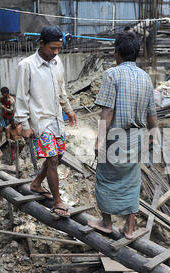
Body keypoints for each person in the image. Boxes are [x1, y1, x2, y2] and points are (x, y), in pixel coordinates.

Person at [88, 31, 158, 240]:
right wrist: (153, 135)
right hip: (137, 138)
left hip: (116, 138)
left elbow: (107, 111)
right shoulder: (145, 77)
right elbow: (152, 113)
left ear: (117, 52)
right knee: (132, 180)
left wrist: (100, 140)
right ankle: (129, 228)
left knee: (105, 178)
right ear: (136, 53)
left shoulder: (112, 74)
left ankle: (107, 222)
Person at [15, 26, 77, 217]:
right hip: (40, 121)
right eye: (52, 48)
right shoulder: (26, 65)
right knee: (51, 159)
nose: (56, 52)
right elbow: (21, 97)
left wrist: (69, 109)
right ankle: (57, 201)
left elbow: (61, 89)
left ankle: (36, 183)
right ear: (41, 44)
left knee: (57, 157)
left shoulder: (57, 62)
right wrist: (24, 125)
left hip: (56, 118)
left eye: (59, 48)